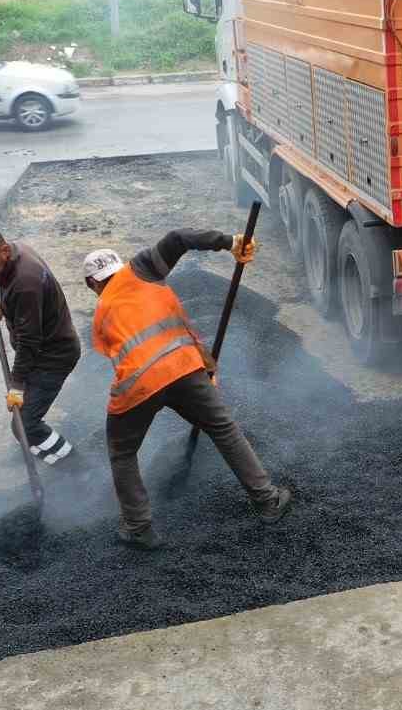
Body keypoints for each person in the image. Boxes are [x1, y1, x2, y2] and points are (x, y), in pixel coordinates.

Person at [84, 228, 292, 550]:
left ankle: (139, 527)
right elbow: (179, 238)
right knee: (224, 428)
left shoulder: (100, 315)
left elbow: (128, 358)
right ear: (119, 266)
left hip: (139, 386)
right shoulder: (141, 269)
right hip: (183, 367)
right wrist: (230, 243)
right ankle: (267, 500)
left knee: (123, 452)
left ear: (92, 284)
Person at [0, 228, 81, 465]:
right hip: (46, 349)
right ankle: (57, 456)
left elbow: (29, 341)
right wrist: (5, 305)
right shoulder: (16, 255)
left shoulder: (25, 282)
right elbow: (32, 301)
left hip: (52, 358)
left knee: (25, 426)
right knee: (24, 424)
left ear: (5, 250)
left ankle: (74, 466)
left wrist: (17, 385)